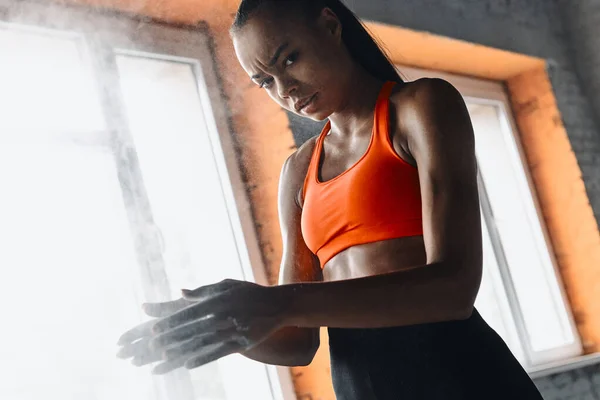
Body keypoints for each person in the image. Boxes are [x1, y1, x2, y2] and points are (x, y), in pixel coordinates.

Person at [117, 0, 544, 398]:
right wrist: (223, 326)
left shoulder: (421, 106)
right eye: (264, 80)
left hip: (461, 377)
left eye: (289, 58)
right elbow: (299, 341)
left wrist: (275, 303)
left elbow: (454, 288)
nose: (285, 89)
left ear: (329, 26)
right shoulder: (298, 171)